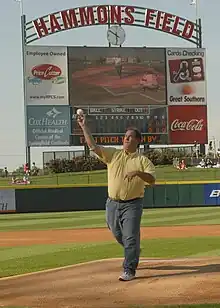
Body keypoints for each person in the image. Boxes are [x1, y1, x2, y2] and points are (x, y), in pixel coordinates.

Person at [77, 113, 156, 281]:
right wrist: (84, 127)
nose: (125, 139)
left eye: (129, 137)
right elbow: (93, 147)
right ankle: (133, 250)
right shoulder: (114, 154)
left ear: (137, 141)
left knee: (130, 236)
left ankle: (129, 269)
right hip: (112, 203)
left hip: (133, 204)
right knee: (117, 233)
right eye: (125, 137)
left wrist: (138, 173)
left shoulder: (143, 160)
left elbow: (152, 179)